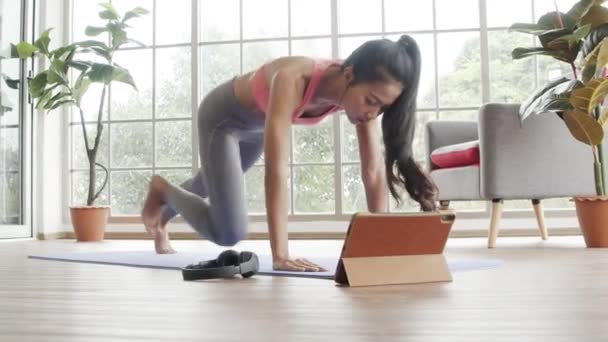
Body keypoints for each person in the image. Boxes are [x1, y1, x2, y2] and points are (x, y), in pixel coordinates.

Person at [141, 34, 438, 272]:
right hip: (221, 119)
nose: (374, 113)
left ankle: (162, 218)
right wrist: (281, 254)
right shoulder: (293, 78)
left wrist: (379, 248)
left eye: (382, 107)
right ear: (349, 75)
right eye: (372, 101)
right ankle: (162, 188)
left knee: (208, 184)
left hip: (255, 129)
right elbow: (277, 171)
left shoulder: (360, 99)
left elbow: (372, 173)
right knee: (229, 231)